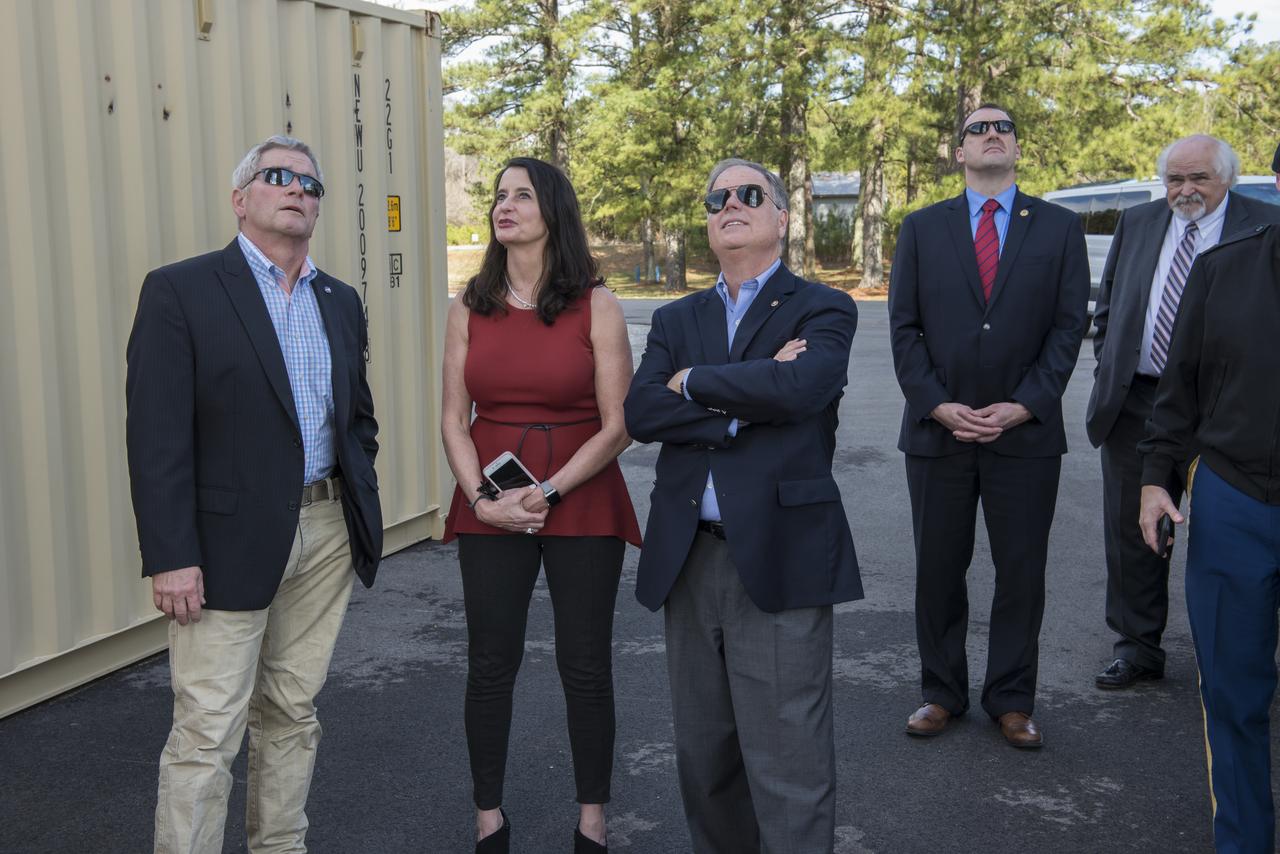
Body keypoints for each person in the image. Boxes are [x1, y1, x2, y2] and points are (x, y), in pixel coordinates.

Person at [125, 135, 383, 853]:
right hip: (223, 545)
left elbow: (356, 416)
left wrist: (361, 494)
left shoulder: (340, 299)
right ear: (241, 200)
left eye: (310, 181)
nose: (297, 188)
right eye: (277, 176)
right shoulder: (181, 290)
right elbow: (157, 439)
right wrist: (171, 555)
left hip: (326, 529)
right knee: (207, 729)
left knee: (293, 714)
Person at [624, 158, 860, 853]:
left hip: (781, 552)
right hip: (689, 559)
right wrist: (738, 407)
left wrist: (691, 381)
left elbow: (803, 390)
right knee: (706, 758)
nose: (730, 203)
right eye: (716, 197)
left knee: (790, 756)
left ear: (782, 216)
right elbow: (642, 410)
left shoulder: (824, 306)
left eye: (749, 194)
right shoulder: (676, 315)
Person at [440, 157, 641, 854]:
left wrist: (549, 491)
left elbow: (619, 424)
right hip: (489, 503)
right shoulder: (469, 304)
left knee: (584, 664)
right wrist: (481, 498)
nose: (505, 205)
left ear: (553, 211)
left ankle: (592, 820)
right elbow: (451, 417)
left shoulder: (598, 304)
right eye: (498, 195)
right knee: (490, 662)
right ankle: (487, 817)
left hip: (582, 501)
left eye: (521, 195)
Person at [888, 104, 1089, 748]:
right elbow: (904, 328)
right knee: (938, 570)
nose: (991, 134)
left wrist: (1026, 404)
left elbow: (1067, 328)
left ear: (1017, 149)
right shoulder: (921, 228)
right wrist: (937, 403)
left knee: (1021, 572)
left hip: (1025, 434)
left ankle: (1011, 698)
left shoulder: (1059, 228)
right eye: (977, 128)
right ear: (960, 151)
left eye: (1002, 127)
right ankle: (940, 693)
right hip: (938, 432)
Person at [1086, 135, 1280, 690]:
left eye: (1199, 179)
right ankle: (1137, 646)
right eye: (1175, 179)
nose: (1185, 190)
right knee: (1133, 532)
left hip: (1228, 410)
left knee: (1233, 535)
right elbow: (1111, 305)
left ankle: (1244, 657)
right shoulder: (1140, 222)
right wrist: (1110, 369)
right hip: (1138, 401)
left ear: (1229, 180)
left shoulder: (1263, 224)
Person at [1136, 143, 1280, 854]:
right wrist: (1157, 479)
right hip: (1235, 498)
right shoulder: (1222, 268)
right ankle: (1244, 841)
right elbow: (1178, 391)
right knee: (1233, 690)